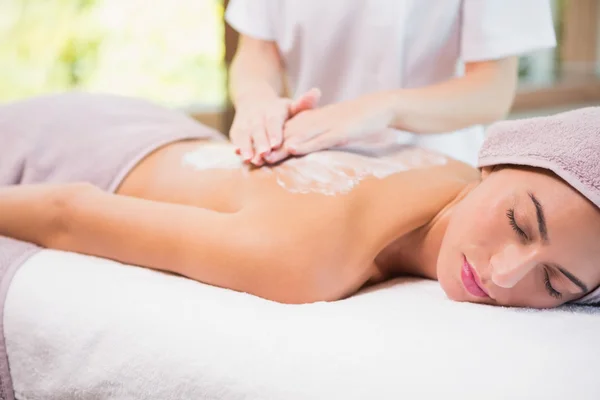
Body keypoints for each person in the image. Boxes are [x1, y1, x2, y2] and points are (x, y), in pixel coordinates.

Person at [0, 92, 599, 311]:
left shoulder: (450, 174)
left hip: (141, 123)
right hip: (75, 147)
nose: (503, 273)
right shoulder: (304, 259)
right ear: (494, 159)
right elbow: (67, 214)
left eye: (554, 285)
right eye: (520, 223)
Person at [225, 0, 557, 167]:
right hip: (308, 161)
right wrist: (256, 100)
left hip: (436, 171)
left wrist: (381, 108)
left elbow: (492, 90)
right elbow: (257, 50)